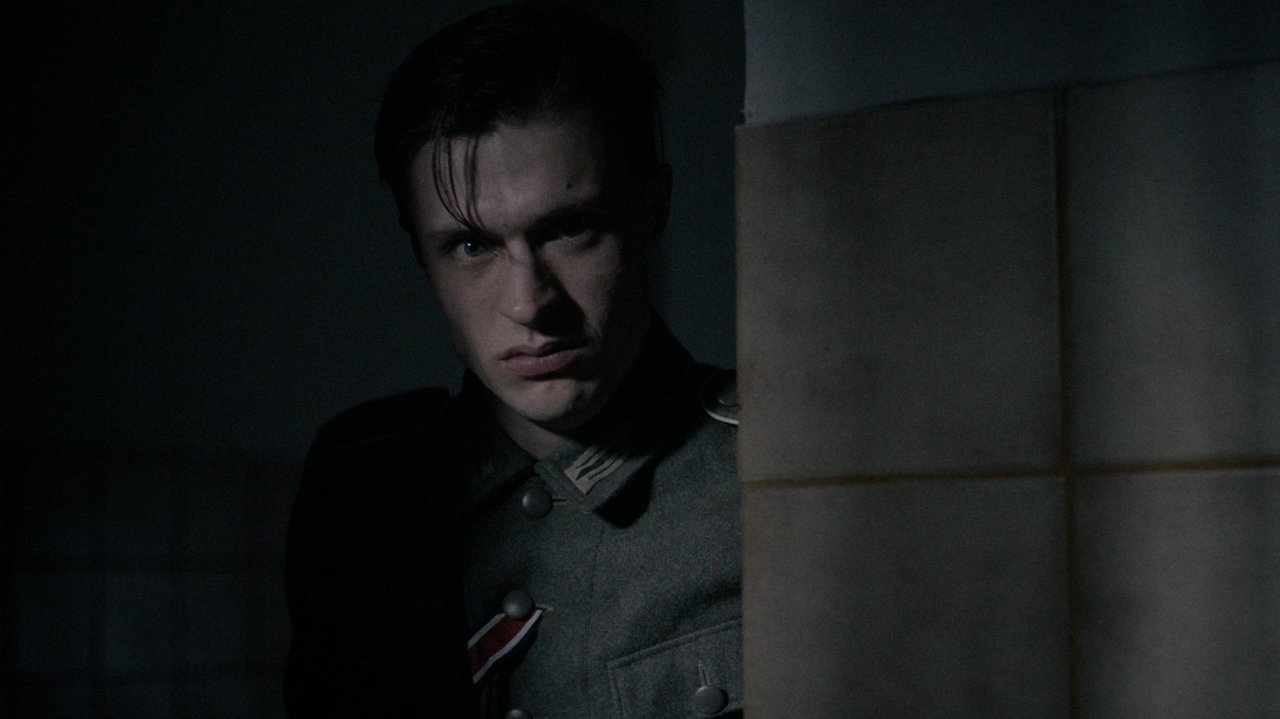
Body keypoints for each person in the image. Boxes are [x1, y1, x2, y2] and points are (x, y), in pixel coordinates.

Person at [284, 3, 741, 717]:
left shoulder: (765, 469)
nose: (529, 303)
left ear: (653, 210)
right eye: (471, 246)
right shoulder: (360, 488)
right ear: (420, 253)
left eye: (569, 229)